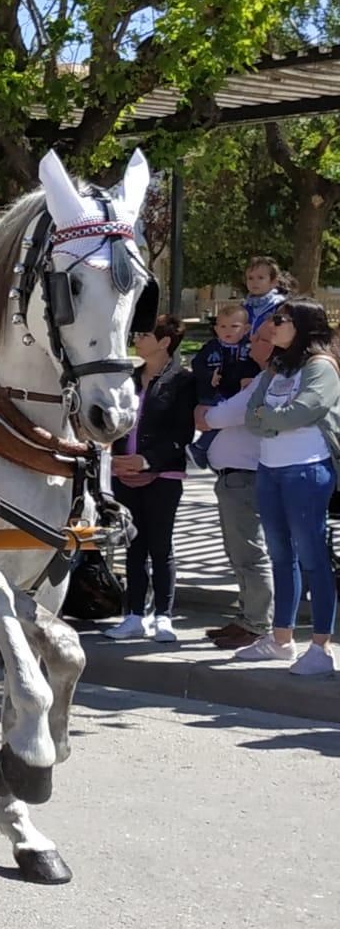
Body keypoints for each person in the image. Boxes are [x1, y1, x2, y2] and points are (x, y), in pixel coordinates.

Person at [233, 299, 340, 673]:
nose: (272, 326)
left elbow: (307, 409)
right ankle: (282, 640)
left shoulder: (321, 367)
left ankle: (322, 647)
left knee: (313, 557)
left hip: (307, 471)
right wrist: (274, 420)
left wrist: (271, 420)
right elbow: (251, 414)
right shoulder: (276, 368)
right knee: (281, 555)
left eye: (280, 320)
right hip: (270, 469)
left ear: (303, 326)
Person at [106, 315, 197, 642]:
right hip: (123, 474)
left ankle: (163, 616)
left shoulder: (182, 381)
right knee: (134, 545)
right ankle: (133, 615)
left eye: (144, 334)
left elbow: (182, 431)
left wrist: (146, 460)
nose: (138, 339)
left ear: (165, 341)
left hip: (163, 475)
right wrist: (114, 459)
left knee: (160, 546)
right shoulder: (127, 379)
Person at [196, 321, 280, 651]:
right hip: (234, 476)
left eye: (259, 339)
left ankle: (258, 622)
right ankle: (247, 617)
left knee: (250, 553)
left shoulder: (265, 381)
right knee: (238, 551)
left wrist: (209, 414)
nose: (251, 343)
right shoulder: (259, 379)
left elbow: (217, 417)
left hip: (246, 476)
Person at [187, 302, 253, 469]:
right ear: (216, 329)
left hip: (235, 392)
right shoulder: (211, 347)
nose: (227, 331)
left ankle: (207, 449)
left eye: (234, 326)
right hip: (213, 392)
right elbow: (197, 364)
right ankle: (200, 447)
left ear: (245, 329)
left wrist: (247, 376)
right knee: (218, 417)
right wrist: (210, 375)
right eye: (222, 326)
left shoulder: (248, 348)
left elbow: (253, 365)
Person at [242, 256, 289, 334]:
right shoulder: (244, 306)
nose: (254, 282)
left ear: (273, 281)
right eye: (250, 278)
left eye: (260, 278)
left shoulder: (280, 305)